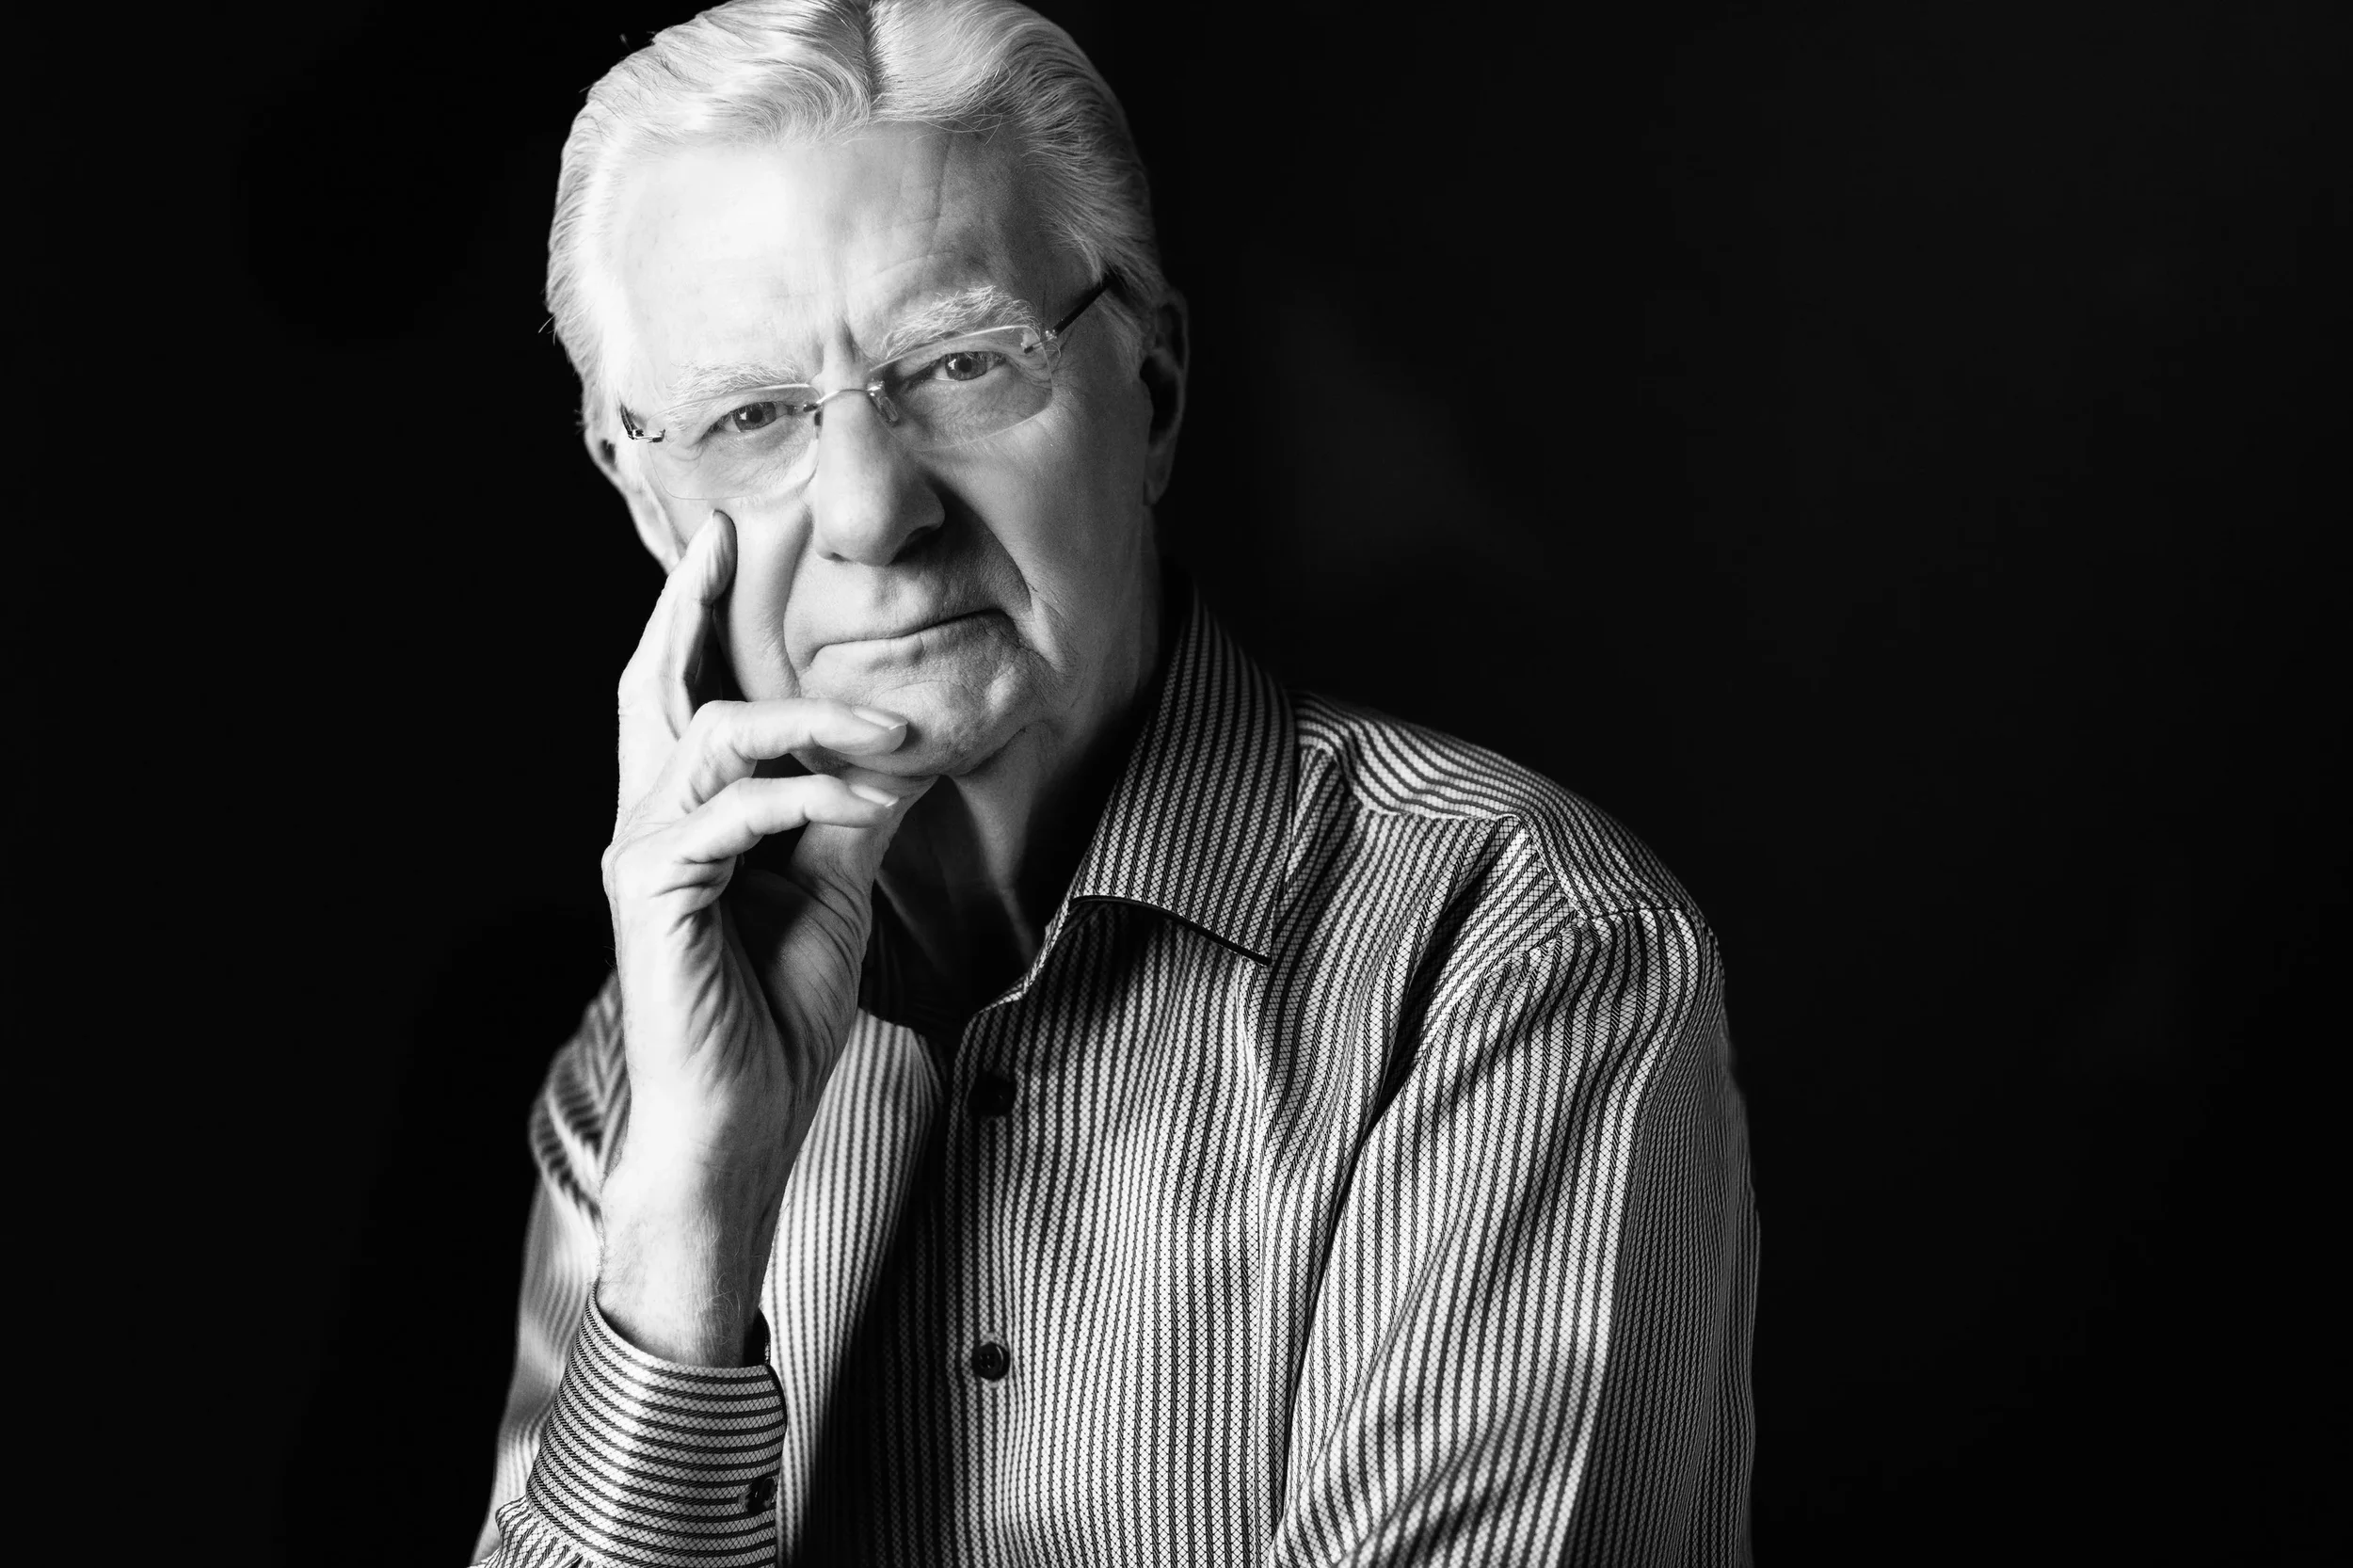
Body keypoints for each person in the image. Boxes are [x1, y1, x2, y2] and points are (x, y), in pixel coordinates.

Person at [472, 2, 1756, 1563]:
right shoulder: (643, 1077)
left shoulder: (1515, 959)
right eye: (750, 418)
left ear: (1152, 390)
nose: (872, 511)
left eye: (961, 362)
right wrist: (690, 1216)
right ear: (648, 500)